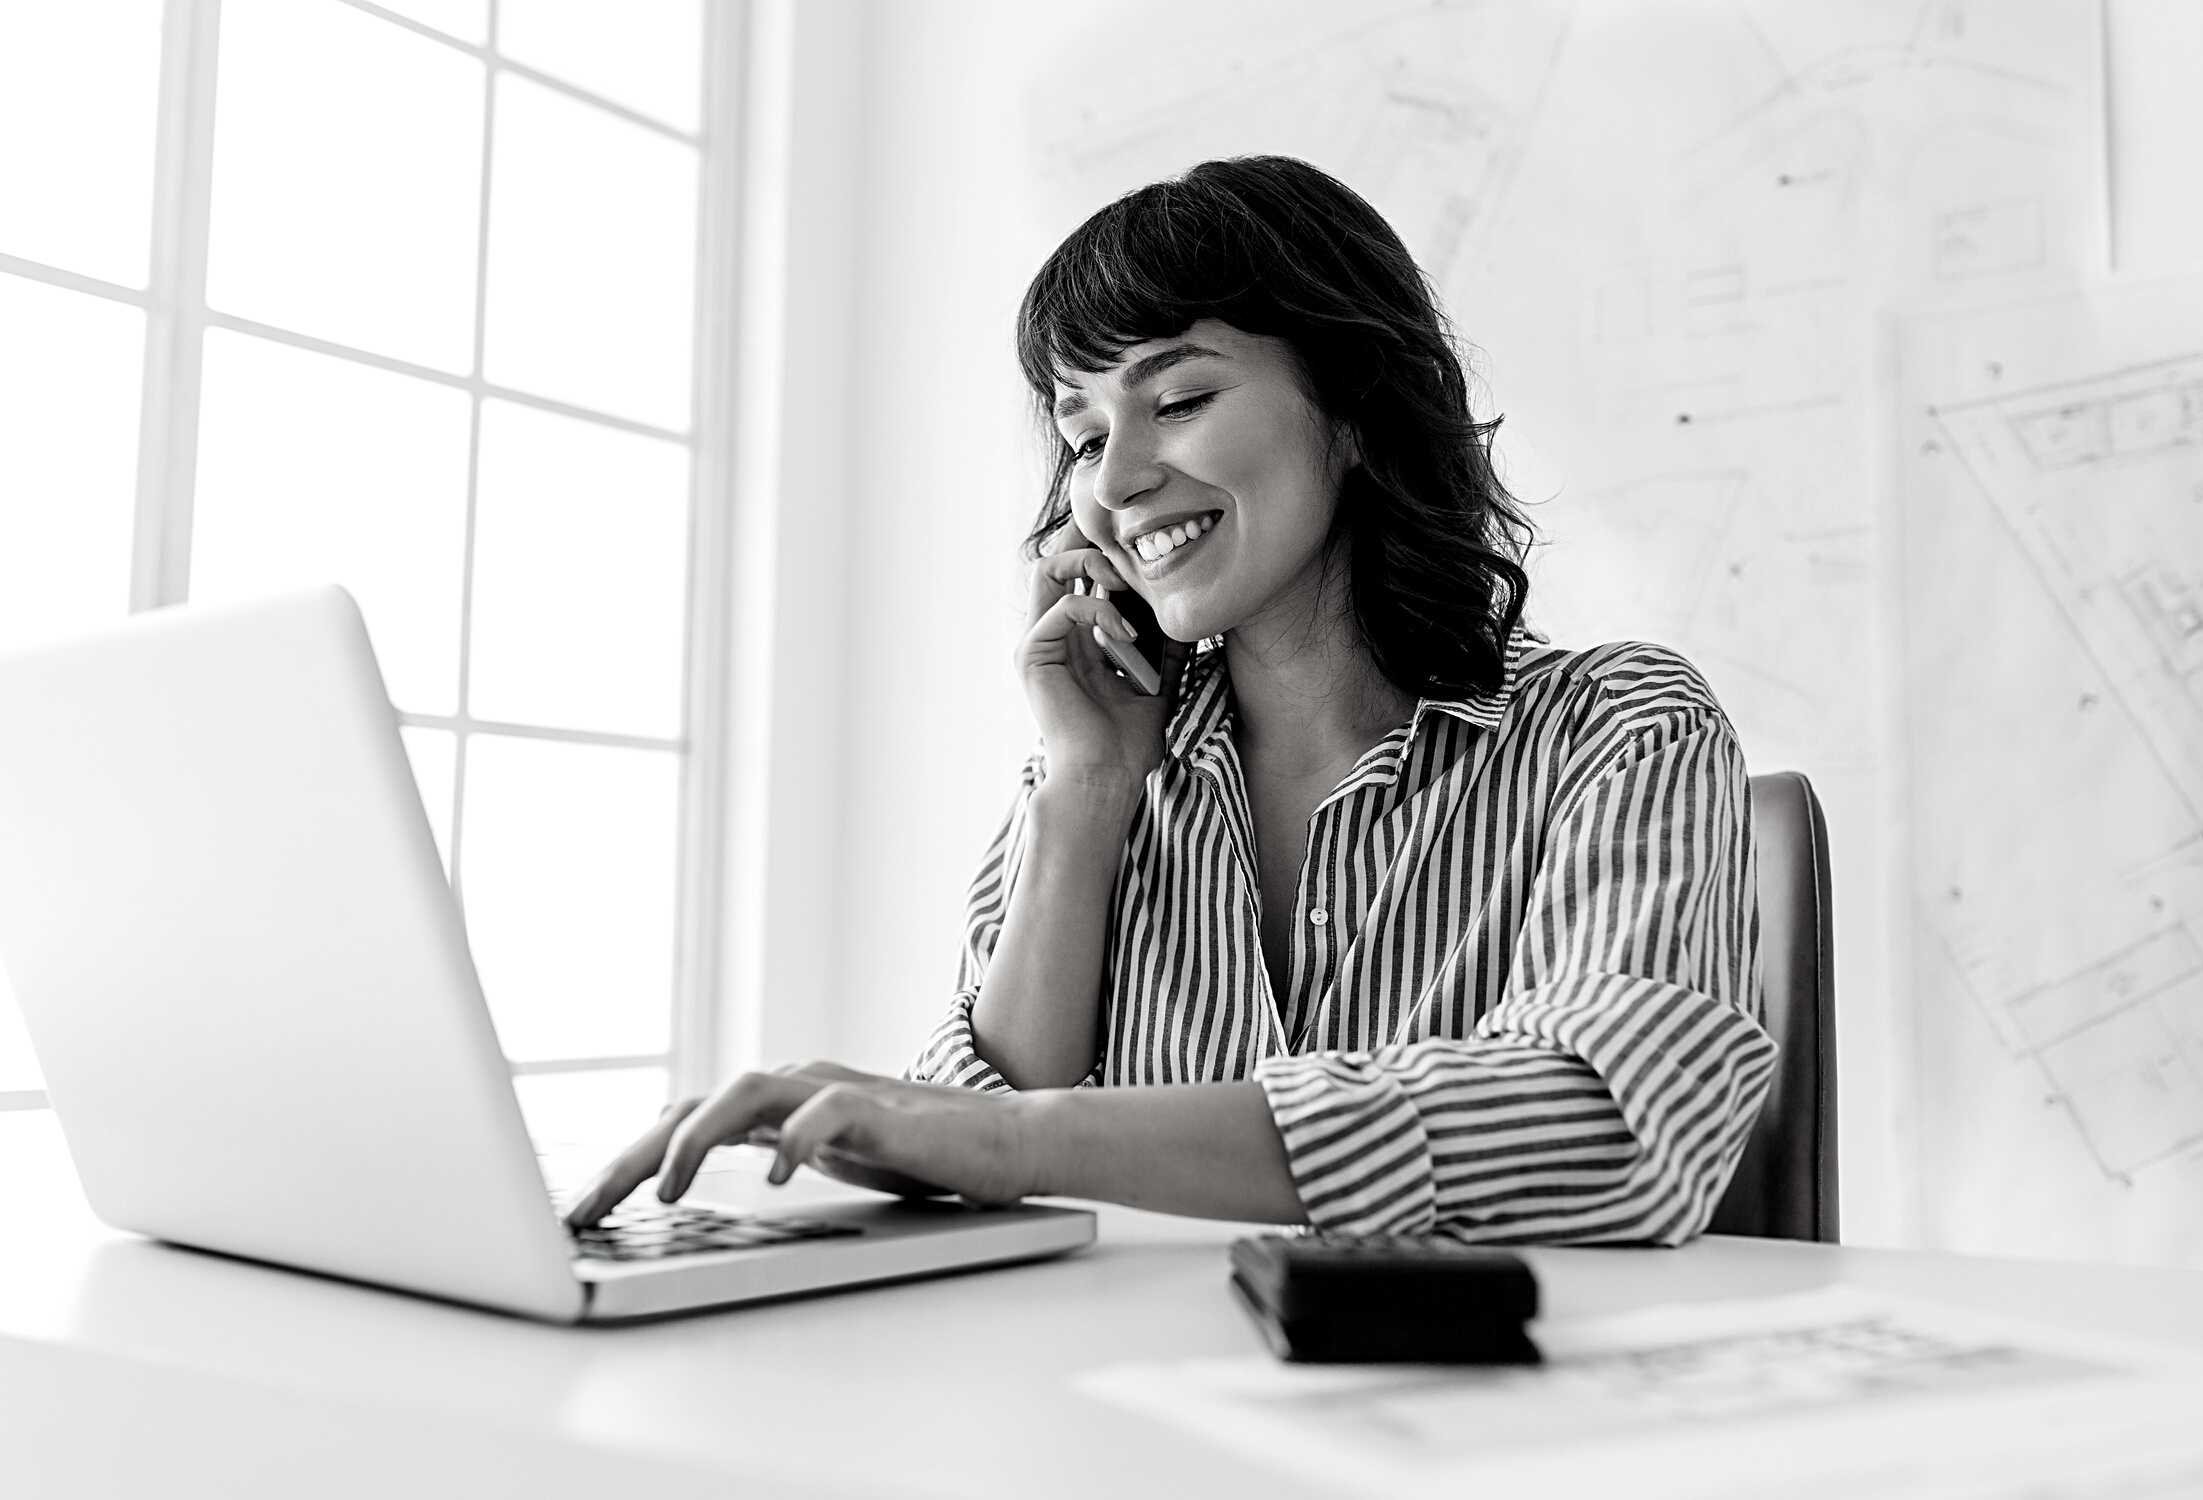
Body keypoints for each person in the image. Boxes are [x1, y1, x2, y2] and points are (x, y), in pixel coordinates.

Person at [569, 156, 1774, 1244]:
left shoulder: (1621, 728)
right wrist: (1087, 792)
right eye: (1082, 435)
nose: (1121, 479)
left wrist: (1020, 1142)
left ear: (1353, 409)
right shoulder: (1098, 780)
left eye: (1180, 400)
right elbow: (966, 1137)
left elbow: (1617, 1124)